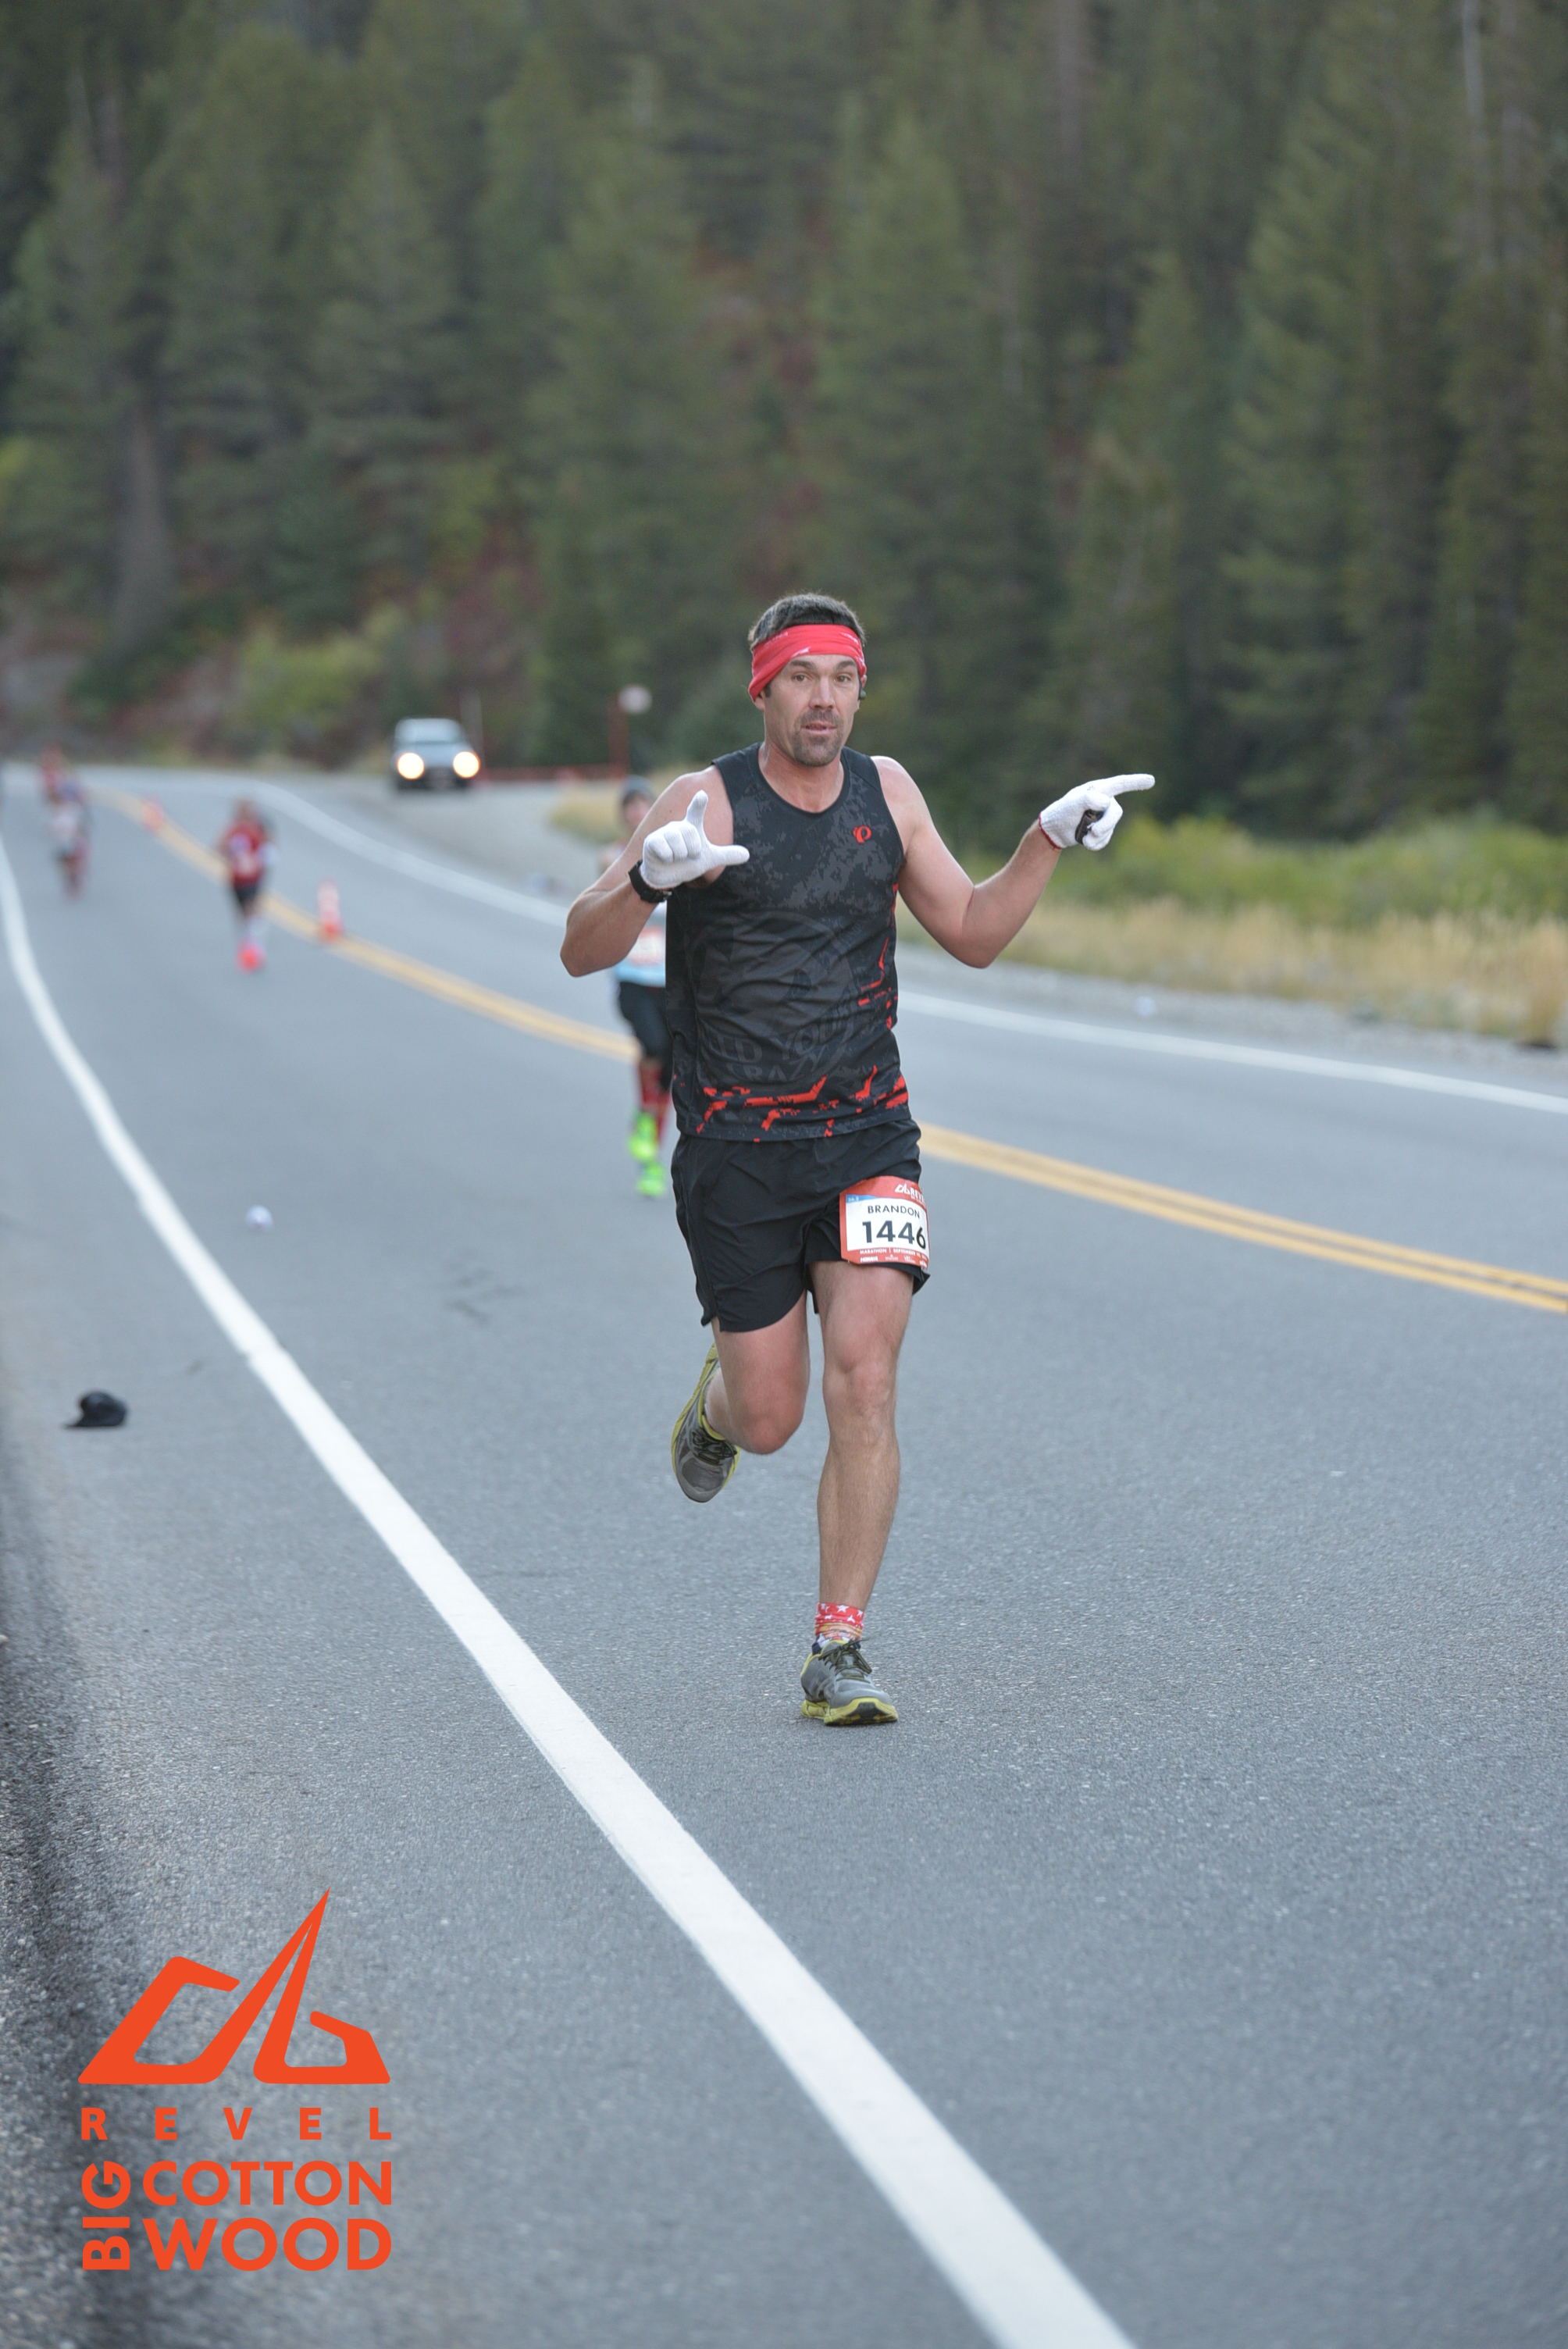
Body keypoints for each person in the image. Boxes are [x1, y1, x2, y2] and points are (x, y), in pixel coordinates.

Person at [561, 593, 1152, 1725]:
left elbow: (972, 932)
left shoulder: (890, 795)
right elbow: (579, 950)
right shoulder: (702, 799)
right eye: (802, 677)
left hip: (868, 1134)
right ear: (764, 689)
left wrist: (1044, 838)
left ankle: (839, 1646)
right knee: (771, 1417)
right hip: (736, 1146)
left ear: (861, 690)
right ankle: (719, 1406)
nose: (824, 698)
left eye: (843, 677)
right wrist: (646, 882)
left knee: (867, 1379)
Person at [599, 778, 672, 1197]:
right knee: (654, 1044)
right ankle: (645, 1115)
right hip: (632, 978)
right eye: (631, 806)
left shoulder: (678, 859)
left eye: (645, 804)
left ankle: (650, 1157)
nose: (638, 812)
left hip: (670, 978)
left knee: (672, 1073)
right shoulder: (611, 858)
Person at [217, 799, 274, 970]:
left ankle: (256, 947)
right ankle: (247, 943)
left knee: (252, 909)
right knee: (242, 912)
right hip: (236, 878)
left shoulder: (259, 829)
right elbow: (220, 847)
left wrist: (258, 863)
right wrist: (231, 857)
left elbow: (269, 850)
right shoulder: (232, 830)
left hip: (253, 877)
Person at [49, 774, 90, 896]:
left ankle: (75, 882)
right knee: (64, 864)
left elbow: (82, 825)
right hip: (63, 842)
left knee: (73, 865)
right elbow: (53, 827)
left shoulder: (74, 809)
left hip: (74, 842)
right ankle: (70, 882)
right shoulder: (58, 810)